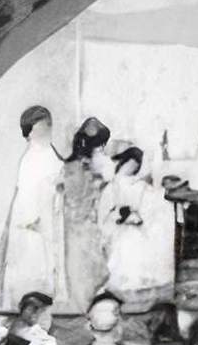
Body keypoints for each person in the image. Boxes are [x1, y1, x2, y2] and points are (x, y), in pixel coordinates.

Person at [0, 106, 62, 311]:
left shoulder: (50, 154)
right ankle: (25, 303)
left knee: (48, 262)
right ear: (29, 131)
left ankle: (45, 302)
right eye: (40, 127)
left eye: (48, 125)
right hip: (32, 218)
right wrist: (31, 219)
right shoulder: (31, 158)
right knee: (31, 259)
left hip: (50, 213)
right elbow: (25, 194)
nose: (46, 130)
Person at [99, 146, 172, 302]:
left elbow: (152, 204)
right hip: (117, 227)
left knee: (136, 241)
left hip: (135, 226)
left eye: (136, 164)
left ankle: (137, 281)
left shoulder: (141, 186)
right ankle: (124, 282)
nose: (132, 167)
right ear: (123, 162)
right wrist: (118, 217)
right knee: (124, 244)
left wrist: (136, 217)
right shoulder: (112, 186)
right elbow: (105, 211)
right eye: (130, 163)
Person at [57, 118, 113, 313]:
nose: (101, 150)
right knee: (81, 267)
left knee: (89, 266)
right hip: (77, 224)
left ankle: (86, 306)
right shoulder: (76, 169)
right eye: (99, 146)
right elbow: (74, 197)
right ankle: (82, 307)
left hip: (84, 223)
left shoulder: (81, 167)